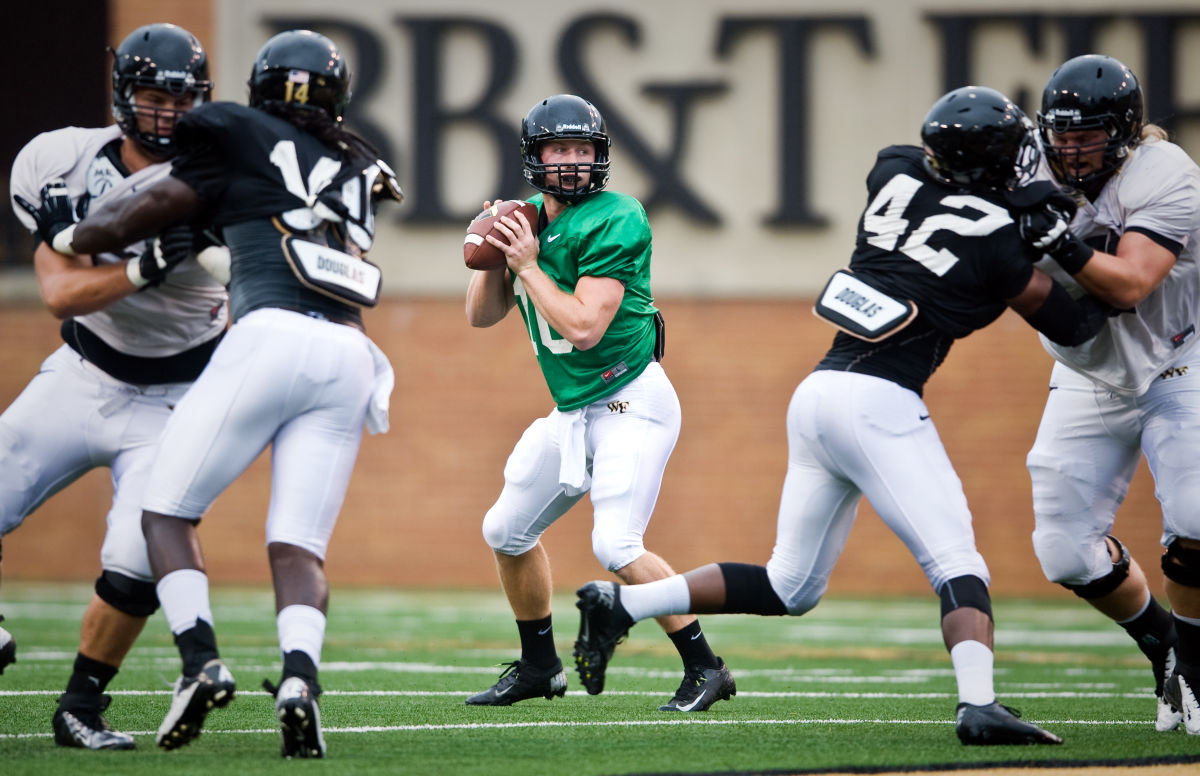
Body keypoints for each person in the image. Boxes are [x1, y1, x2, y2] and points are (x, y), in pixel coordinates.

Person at [573, 86, 1115, 745]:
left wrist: (1010, 210)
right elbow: (1077, 322)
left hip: (820, 393)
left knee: (790, 584)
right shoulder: (1000, 244)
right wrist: (1064, 244)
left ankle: (624, 604)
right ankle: (979, 704)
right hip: (882, 402)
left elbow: (917, 173)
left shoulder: (894, 171)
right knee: (956, 561)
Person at [19, 29, 402, 757]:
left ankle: (200, 660)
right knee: (298, 544)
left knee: (163, 510)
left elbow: (127, 218)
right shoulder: (356, 161)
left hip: (269, 334)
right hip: (351, 355)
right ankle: (299, 680)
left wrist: (67, 238)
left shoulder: (236, 134)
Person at [463, 93, 735, 713]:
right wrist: (493, 257)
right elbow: (481, 317)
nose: (573, 162)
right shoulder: (528, 216)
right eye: (559, 149)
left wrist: (528, 266)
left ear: (600, 156)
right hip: (575, 410)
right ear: (535, 156)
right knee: (505, 529)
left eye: (583, 150)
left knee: (617, 546)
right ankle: (539, 666)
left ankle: (706, 667)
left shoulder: (618, 216)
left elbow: (584, 326)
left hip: (630, 399)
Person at [3, 23, 221, 750]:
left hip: (176, 399)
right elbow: (60, 294)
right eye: (153, 96)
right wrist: (140, 267)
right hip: (84, 375)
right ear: (124, 96)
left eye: (180, 99)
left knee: (136, 556)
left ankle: (79, 708)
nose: (167, 113)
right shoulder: (61, 159)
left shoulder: (220, 178)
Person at [1017, 54, 1200, 734]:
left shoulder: (1166, 173)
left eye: (1088, 134)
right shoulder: (1026, 164)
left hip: (1178, 354)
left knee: (1196, 514)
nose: (1070, 148)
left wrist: (1058, 242)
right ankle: (1167, 652)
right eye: (1061, 134)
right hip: (1088, 367)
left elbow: (1128, 284)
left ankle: (1199, 667)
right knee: (1063, 550)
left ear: (1124, 131)